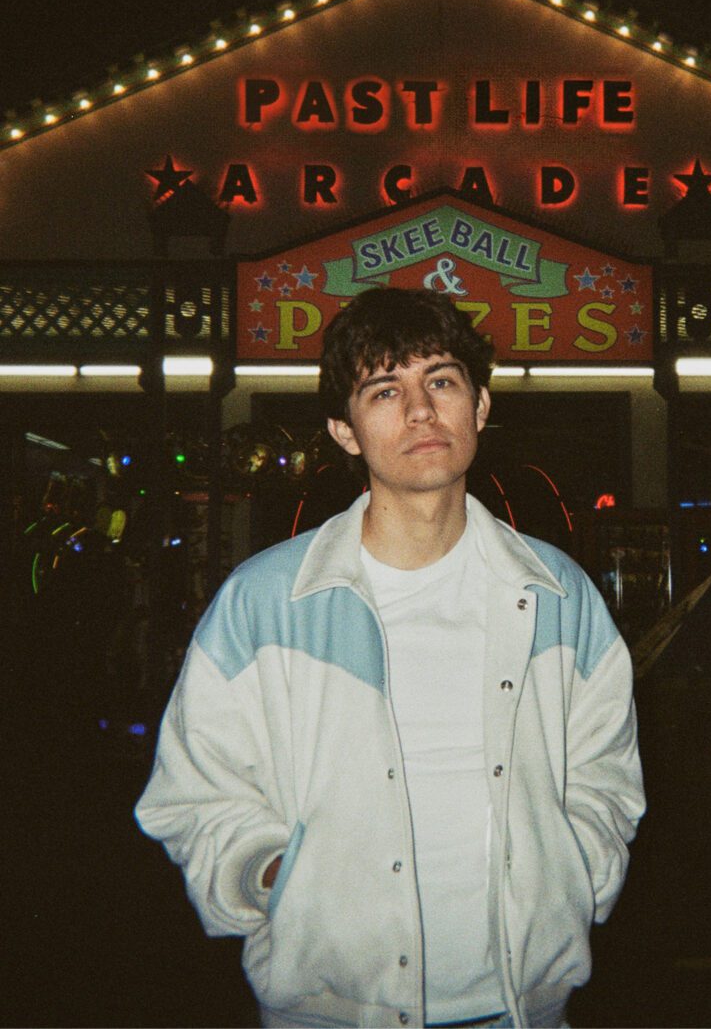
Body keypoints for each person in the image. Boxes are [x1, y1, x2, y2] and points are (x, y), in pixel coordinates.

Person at [135, 287, 645, 1029]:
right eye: (384, 390)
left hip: (525, 1009)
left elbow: (605, 776)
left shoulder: (558, 595)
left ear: (480, 406)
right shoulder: (264, 603)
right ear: (344, 431)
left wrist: (573, 874)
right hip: (329, 1010)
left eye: (441, 381)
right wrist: (274, 876)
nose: (420, 411)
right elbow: (194, 793)